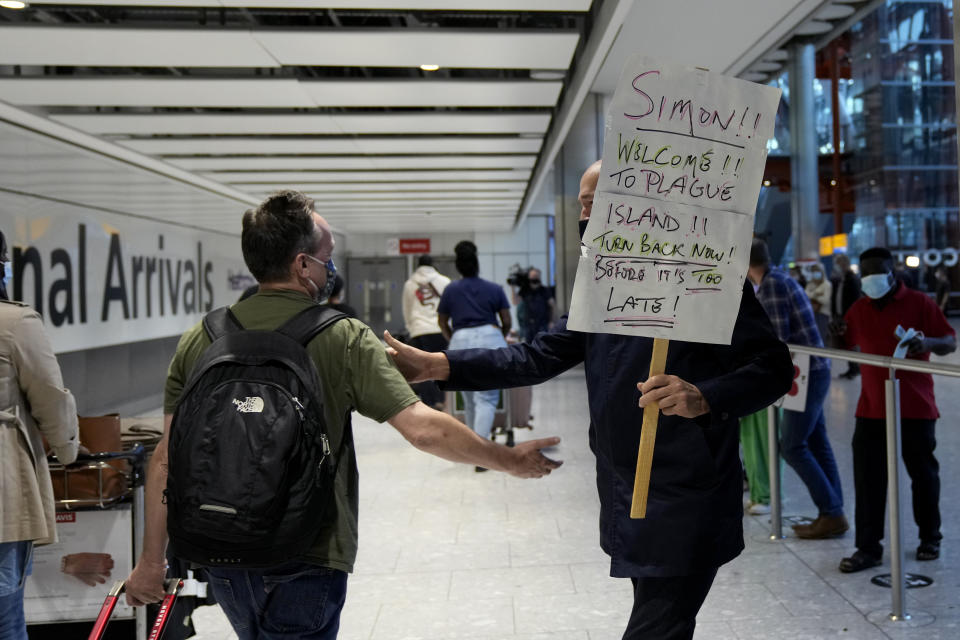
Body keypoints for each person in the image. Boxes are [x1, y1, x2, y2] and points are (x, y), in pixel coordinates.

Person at [384, 161, 794, 640]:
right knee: (664, 621)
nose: (585, 212)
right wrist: (441, 365)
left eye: (595, 200)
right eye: (581, 202)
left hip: (689, 493)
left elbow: (773, 368)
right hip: (625, 490)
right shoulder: (602, 287)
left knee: (658, 624)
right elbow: (538, 357)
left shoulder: (709, 277)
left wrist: (704, 396)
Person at [123, 190, 561, 638]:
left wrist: (151, 562)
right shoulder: (342, 336)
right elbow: (423, 430)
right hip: (308, 550)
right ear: (302, 265)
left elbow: (166, 457)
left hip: (220, 550)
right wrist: (507, 459)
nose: (331, 268)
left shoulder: (201, 338)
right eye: (327, 257)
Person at [835, 247, 956, 573]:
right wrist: (836, 334)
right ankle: (867, 548)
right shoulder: (859, 308)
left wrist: (926, 343)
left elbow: (949, 340)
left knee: (923, 476)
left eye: (879, 275)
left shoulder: (919, 303)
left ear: (893, 273)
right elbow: (844, 345)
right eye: (867, 276)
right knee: (868, 480)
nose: (873, 282)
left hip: (915, 406)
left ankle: (930, 537)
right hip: (872, 408)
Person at [0, 230, 80, 640]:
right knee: (6, 616)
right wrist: (69, 451)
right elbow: (51, 398)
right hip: (3, 493)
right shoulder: (14, 322)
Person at [748, 239, 847, 539]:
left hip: (805, 375)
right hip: (811, 371)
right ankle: (834, 511)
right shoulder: (778, 280)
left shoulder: (772, 286)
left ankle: (831, 512)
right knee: (816, 442)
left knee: (791, 446)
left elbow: (778, 340)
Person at [437, 241, 511, 464]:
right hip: (490, 337)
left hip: (460, 339)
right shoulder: (495, 288)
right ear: (477, 264)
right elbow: (507, 320)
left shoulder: (450, 290)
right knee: (487, 399)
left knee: (468, 400)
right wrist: (500, 335)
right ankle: (483, 456)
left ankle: (472, 453)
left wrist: (454, 339)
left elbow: (442, 321)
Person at [401, 255, 451, 410]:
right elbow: (450, 306)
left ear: (418, 265)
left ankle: (428, 403)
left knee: (422, 367)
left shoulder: (410, 284)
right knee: (443, 365)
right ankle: (442, 399)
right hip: (440, 329)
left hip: (419, 330)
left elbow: (406, 309)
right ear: (433, 264)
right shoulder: (445, 281)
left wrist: (411, 327)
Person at [831, 253, 861, 379]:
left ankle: (855, 368)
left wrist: (849, 316)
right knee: (846, 344)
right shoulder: (840, 279)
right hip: (840, 315)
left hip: (849, 317)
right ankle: (852, 368)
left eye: (838, 263)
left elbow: (855, 300)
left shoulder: (852, 279)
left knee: (851, 344)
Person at [510, 267, 555, 342]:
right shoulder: (525, 290)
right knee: (528, 347)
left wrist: (551, 321)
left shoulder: (545, 290)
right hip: (528, 326)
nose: (534, 278)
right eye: (532, 276)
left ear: (539, 277)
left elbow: (552, 306)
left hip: (542, 324)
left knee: (542, 345)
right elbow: (515, 302)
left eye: (536, 276)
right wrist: (512, 288)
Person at [805, 263, 833, 350]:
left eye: (817, 271)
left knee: (822, 338)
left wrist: (812, 295)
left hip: (823, 315)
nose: (815, 273)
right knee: (813, 339)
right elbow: (805, 295)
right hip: (812, 314)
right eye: (813, 271)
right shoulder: (810, 284)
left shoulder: (827, 284)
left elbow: (825, 300)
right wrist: (817, 294)